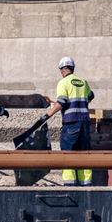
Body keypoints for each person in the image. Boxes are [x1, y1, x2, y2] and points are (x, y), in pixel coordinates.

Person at [43, 56, 96, 186]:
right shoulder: (83, 82)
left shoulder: (63, 83)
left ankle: (70, 184)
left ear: (62, 69)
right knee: (84, 154)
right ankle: (86, 184)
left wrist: (47, 115)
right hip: (85, 123)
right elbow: (90, 96)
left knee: (67, 153)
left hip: (71, 123)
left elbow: (62, 102)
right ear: (72, 68)